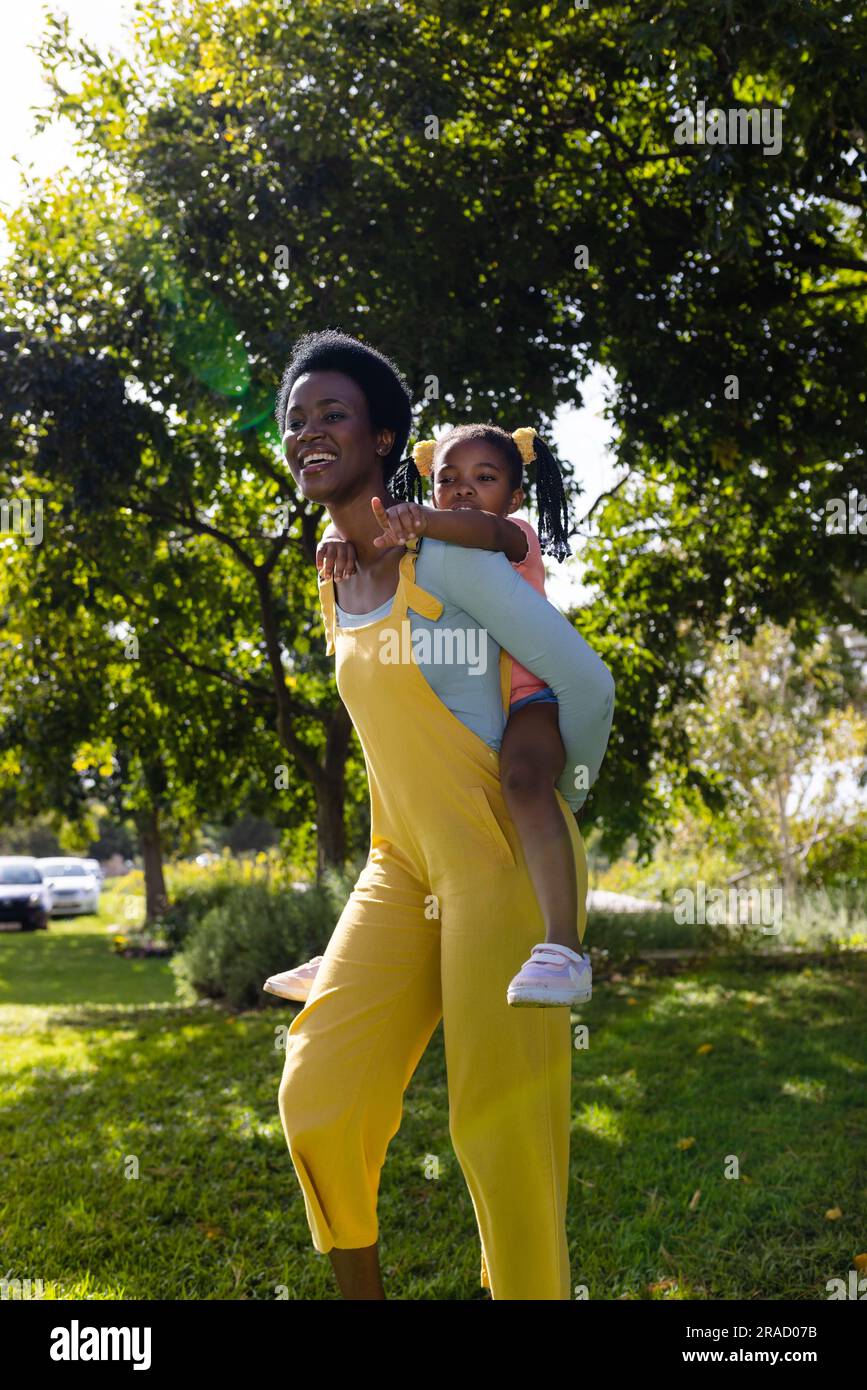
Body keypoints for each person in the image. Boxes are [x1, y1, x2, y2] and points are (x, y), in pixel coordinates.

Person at [274, 329, 615, 1299]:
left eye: (332, 413)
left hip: (499, 862)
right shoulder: (333, 569)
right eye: (296, 420)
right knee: (320, 1091)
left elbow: (584, 682)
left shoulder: (449, 558)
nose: (308, 432)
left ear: (386, 440)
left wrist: (556, 794)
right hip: (403, 865)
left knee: (499, 1135)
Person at [265, 421, 592, 1007]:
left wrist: (423, 518)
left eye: (484, 479)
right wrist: (345, 544)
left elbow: (481, 530)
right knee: (394, 786)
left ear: (516, 496)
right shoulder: (426, 547)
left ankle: (564, 949)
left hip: (528, 701)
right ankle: (347, 956)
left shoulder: (512, 534)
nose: (464, 490)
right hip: (455, 718)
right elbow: (380, 555)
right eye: (448, 480)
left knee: (523, 781)